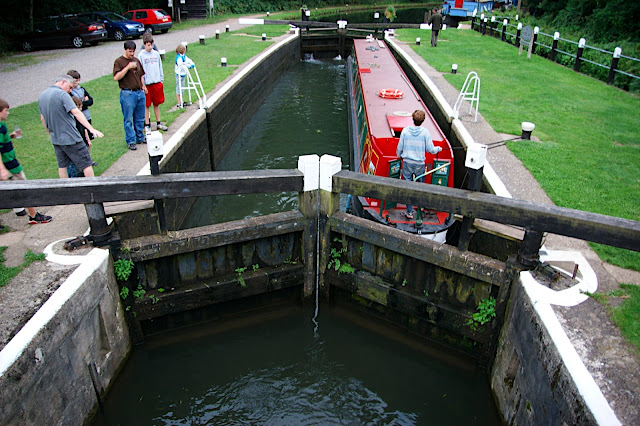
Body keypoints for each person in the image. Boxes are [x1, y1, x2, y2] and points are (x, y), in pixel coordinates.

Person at [38, 75, 103, 179]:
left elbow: (43, 118)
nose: (70, 90)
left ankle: (65, 187)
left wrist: (50, 133)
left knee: (62, 166)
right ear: (63, 82)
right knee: (86, 164)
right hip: (71, 137)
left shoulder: (42, 95)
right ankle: (92, 186)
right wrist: (91, 129)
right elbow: (76, 112)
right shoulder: (62, 94)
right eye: (70, 87)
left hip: (56, 139)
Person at [0, 98, 53, 224]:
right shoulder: (0, 127)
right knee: (24, 187)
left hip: (7, 163)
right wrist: (2, 169)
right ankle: (34, 216)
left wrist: (11, 136)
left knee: (7, 190)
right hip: (9, 164)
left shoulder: (2, 127)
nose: (8, 113)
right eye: (6, 110)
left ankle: (19, 209)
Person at [396, 110, 442, 219]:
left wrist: (398, 155)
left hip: (407, 163)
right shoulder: (425, 132)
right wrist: (439, 149)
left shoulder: (405, 131)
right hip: (419, 164)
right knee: (420, 186)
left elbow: (399, 147)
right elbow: (430, 149)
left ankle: (409, 212)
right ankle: (420, 207)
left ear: (412, 119)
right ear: (423, 120)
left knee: (408, 187)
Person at [113, 40, 147, 150]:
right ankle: (130, 140)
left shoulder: (136, 60)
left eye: (133, 51)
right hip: (127, 93)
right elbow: (116, 77)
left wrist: (143, 86)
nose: (132, 54)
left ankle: (140, 137)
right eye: (130, 51)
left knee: (140, 118)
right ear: (125, 50)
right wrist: (127, 67)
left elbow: (141, 75)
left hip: (139, 92)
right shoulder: (119, 62)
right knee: (128, 119)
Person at [138, 34, 168, 132]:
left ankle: (158, 122)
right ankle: (147, 124)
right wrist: (143, 85)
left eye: (151, 45)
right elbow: (140, 71)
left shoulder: (156, 54)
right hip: (147, 84)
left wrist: (161, 80)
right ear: (144, 44)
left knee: (156, 103)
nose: (150, 47)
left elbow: (160, 67)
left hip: (156, 82)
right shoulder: (141, 55)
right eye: (148, 45)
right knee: (146, 105)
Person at [67, 96, 92, 178]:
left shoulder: (81, 117)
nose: (80, 109)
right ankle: (73, 177)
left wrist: (88, 140)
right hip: (75, 142)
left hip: (83, 141)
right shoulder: (71, 119)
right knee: (73, 164)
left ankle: (81, 174)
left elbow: (84, 129)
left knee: (84, 160)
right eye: (79, 107)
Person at [67, 70, 93, 140]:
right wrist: (83, 102)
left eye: (79, 80)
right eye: (76, 81)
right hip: (78, 118)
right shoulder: (69, 92)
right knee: (82, 136)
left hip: (87, 115)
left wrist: (82, 102)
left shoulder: (81, 89)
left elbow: (90, 101)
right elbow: (74, 105)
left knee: (89, 136)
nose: (78, 82)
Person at [174, 44, 195, 108]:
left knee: (182, 87)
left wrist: (192, 64)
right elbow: (181, 64)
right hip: (179, 74)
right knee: (178, 88)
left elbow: (188, 60)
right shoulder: (178, 58)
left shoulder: (184, 56)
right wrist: (188, 66)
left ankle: (181, 101)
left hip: (183, 74)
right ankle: (179, 103)